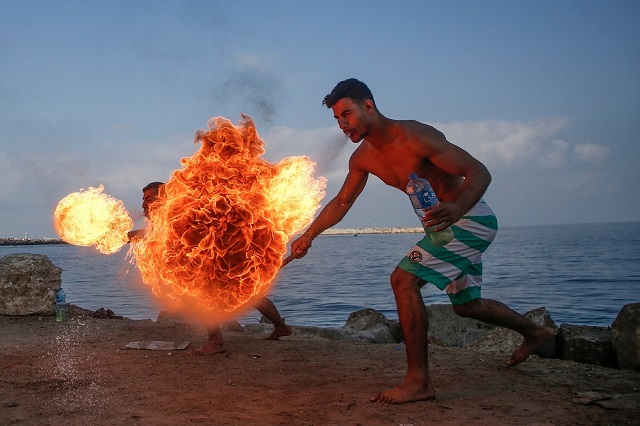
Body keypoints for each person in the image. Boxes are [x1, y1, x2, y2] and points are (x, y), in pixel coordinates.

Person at [289, 78, 555, 404]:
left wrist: (457, 206)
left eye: (347, 114)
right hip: (442, 231)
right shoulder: (362, 159)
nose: (343, 124)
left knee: (403, 280)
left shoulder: (413, 136)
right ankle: (535, 332)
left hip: (470, 220)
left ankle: (419, 382)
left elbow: (478, 171)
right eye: (337, 119)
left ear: (368, 106)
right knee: (467, 306)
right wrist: (308, 236)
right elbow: (342, 202)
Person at [129, 181, 293, 355]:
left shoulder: (179, 212)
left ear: (162, 198)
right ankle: (281, 327)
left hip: (217, 259)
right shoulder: (167, 215)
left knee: (202, 297)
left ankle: (216, 341)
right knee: (249, 295)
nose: (143, 204)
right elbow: (160, 234)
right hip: (219, 259)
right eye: (143, 199)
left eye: (148, 199)